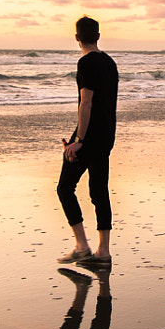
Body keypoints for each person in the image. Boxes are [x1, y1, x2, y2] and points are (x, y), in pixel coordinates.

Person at [57, 15, 117, 271]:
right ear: (99, 36)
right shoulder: (109, 62)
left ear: (76, 38)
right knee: (99, 191)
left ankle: (82, 246)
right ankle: (103, 252)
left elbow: (87, 102)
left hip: (90, 137)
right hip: (106, 136)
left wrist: (78, 140)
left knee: (64, 187)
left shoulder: (86, 63)